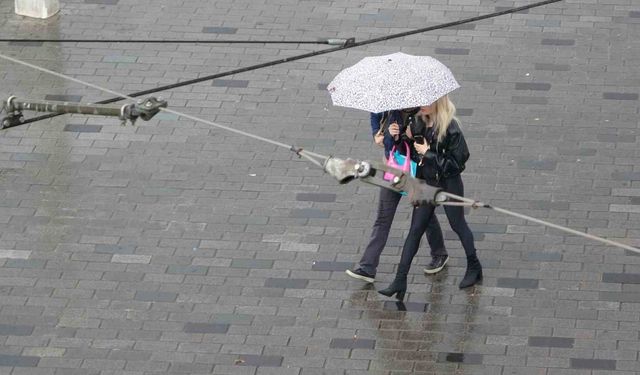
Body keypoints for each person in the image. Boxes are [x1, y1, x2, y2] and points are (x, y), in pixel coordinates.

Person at [378, 95, 482, 300]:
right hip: (426, 183)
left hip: (448, 183)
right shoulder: (417, 121)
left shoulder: (450, 127)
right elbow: (409, 153)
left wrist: (429, 153)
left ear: (438, 103)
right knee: (415, 229)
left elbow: (458, 163)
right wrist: (398, 138)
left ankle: (474, 266)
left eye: (427, 102)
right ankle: (400, 279)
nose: (422, 105)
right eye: (420, 101)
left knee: (457, 224)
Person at [346, 109, 448, 284]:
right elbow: (375, 117)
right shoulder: (388, 105)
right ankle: (367, 267)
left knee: (423, 215)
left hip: (416, 171)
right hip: (394, 168)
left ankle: (439, 253)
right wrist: (380, 134)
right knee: (383, 217)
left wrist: (409, 134)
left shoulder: (423, 110)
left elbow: (428, 144)